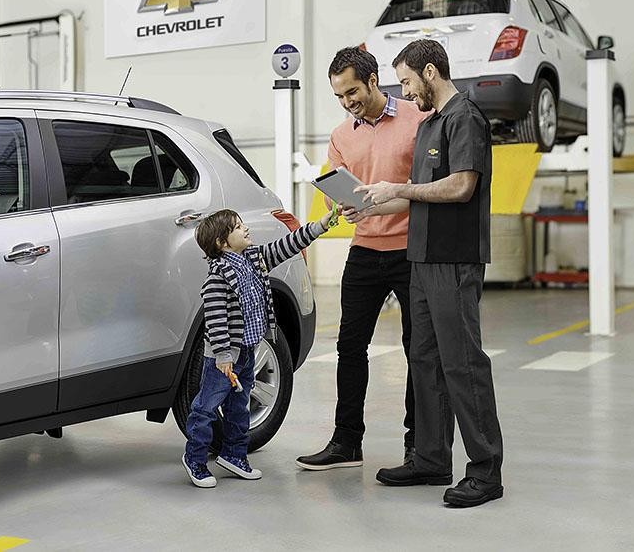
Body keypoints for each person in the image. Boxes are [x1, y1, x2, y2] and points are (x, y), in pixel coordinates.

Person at [356, 38, 505, 508]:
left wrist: (399, 187)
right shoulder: (429, 126)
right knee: (424, 360)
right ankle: (431, 456)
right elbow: (418, 193)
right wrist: (374, 201)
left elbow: (461, 187)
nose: (404, 92)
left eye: (405, 81)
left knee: (462, 363)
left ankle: (485, 471)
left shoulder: (466, 119)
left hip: (453, 259)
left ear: (430, 72)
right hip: (420, 258)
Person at [296, 47, 429, 471]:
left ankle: (418, 444)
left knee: (417, 349)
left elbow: (426, 189)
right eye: (339, 96)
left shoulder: (417, 119)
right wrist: (344, 208)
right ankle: (346, 441)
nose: (347, 101)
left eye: (352, 91)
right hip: (365, 250)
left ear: (373, 80)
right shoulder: (341, 135)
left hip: (412, 251)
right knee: (349, 347)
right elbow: (341, 189)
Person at [183, 207, 339, 488]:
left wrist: (322, 225)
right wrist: (222, 355)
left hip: (246, 351)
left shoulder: (255, 260)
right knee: (206, 407)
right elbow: (216, 320)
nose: (246, 229)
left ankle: (234, 454)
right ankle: (194, 458)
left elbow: (289, 244)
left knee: (239, 406)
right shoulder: (217, 277)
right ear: (222, 242)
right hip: (224, 358)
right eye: (238, 227)